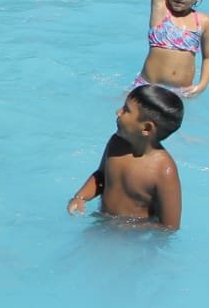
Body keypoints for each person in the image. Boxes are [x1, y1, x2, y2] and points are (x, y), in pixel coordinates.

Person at [68, 84, 184, 230]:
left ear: (146, 128)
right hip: (102, 222)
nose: (118, 112)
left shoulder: (164, 171)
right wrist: (80, 197)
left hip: (133, 236)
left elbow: (170, 227)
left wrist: (130, 227)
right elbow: (101, 176)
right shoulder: (116, 143)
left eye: (126, 110)